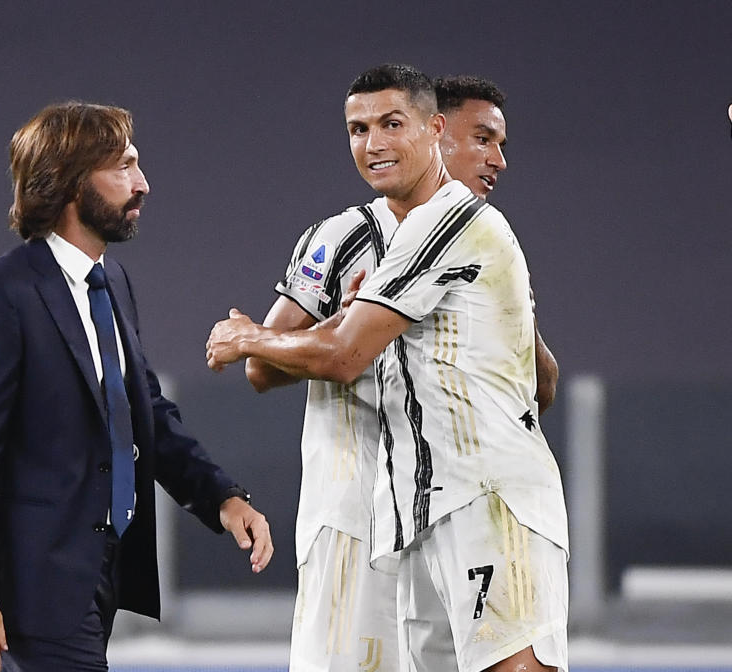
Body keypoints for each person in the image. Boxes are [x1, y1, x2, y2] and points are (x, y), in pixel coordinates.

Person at [208, 64, 569, 672]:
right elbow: (275, 367)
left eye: (390, 125)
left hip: (475, 493)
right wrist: (327, 332)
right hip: (374, 510)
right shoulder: (346, 235)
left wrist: (256, 336)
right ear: (444, 133)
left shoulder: (461, 225)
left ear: (429, 132)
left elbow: (345, 354)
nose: (497, 159)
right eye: (483, 139)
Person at [0, 101, 273, 672]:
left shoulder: (110, 279)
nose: (143, 184)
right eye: (123, 167)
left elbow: (143, 412)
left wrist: (221, 497)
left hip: (100, 574)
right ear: (67, 182)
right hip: (36, 585)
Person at [434, 75, 558, 411]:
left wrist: (522, 318)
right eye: (483, 140)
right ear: (433, 135)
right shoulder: (356, 238)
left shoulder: (491, 240)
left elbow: (540, 391)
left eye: (500, 144)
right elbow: (340, 358)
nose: (499, 161)